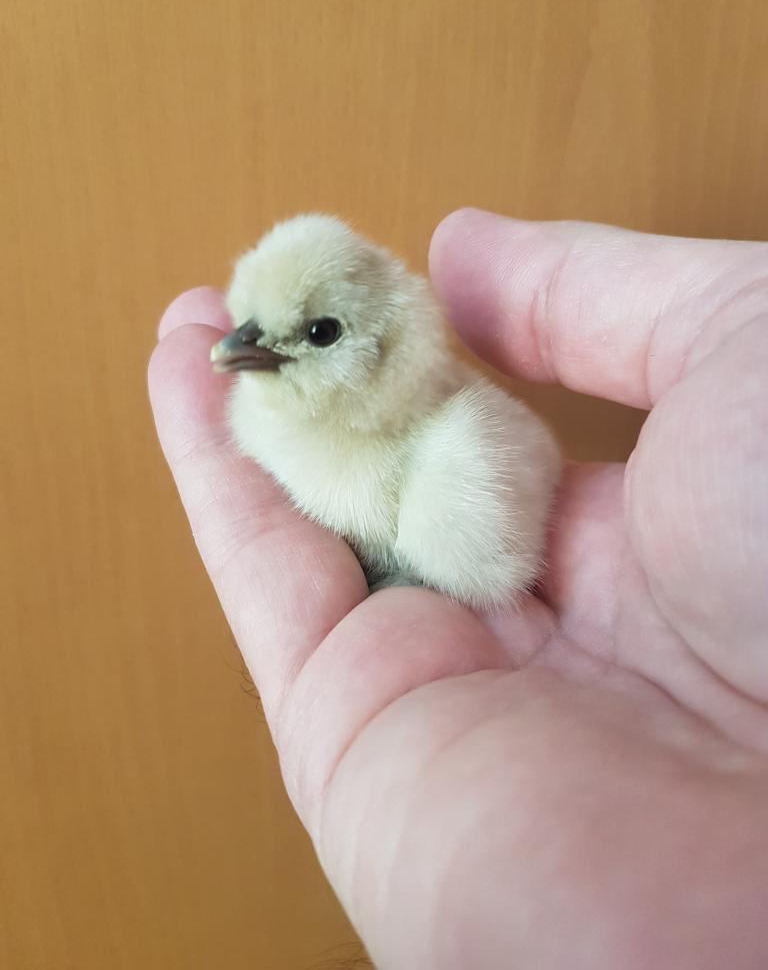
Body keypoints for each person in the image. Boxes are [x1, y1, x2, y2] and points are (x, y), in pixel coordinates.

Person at [148, 208, 768, 970]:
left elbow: (490, 540)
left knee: (454, 528)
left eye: (317, 334)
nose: (247, 342)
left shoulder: (453, 458)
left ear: (384, 343)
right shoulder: (263, 421)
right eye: (251, 324)